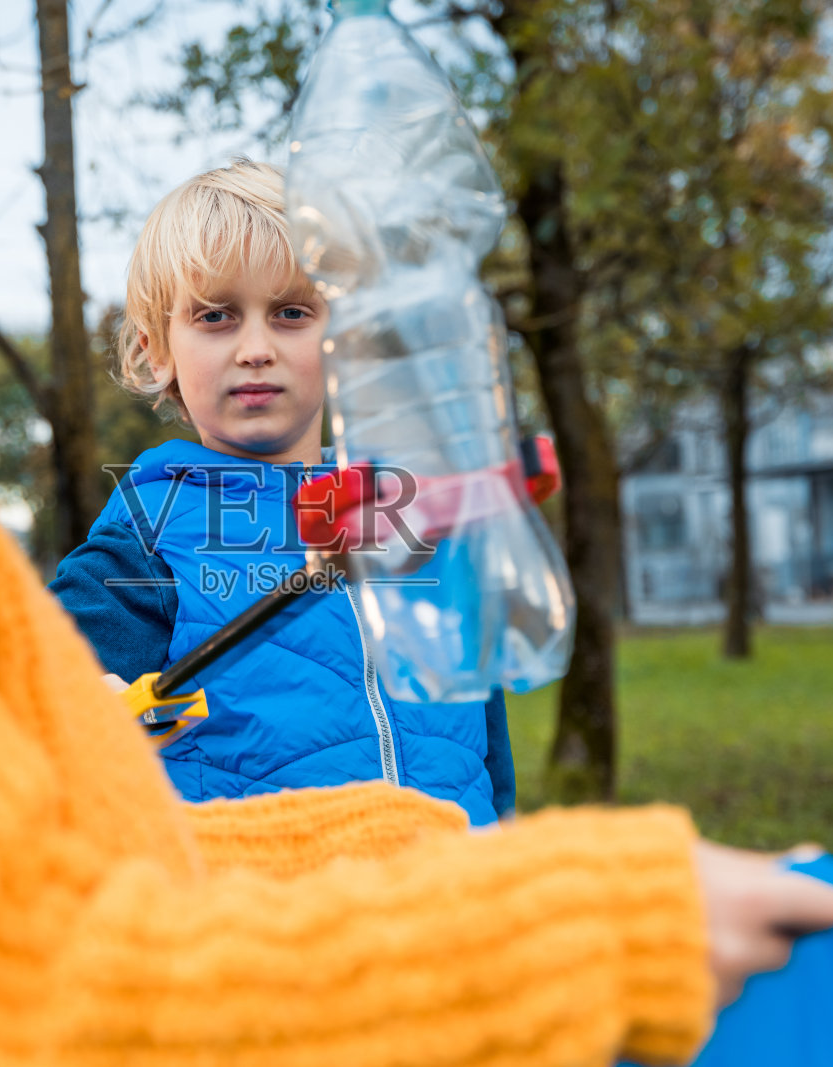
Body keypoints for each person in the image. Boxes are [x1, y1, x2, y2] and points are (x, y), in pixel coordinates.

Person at [0, 3, 833, 1066]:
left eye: (293, 314)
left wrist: (447, 853)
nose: (256, 347)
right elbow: (19, 977)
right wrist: (587, 923)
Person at [52, 161, 516, 824]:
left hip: (457, 882)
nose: (256, 348)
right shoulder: (150, 539)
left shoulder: (411, 519)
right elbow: (28, 690)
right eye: (216, 316)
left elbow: (485, 749)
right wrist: (73, 698)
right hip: (262, 888)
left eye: (292, 313)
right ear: (158, 351)